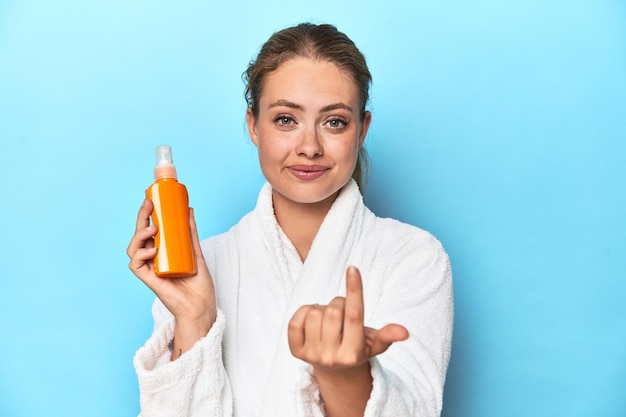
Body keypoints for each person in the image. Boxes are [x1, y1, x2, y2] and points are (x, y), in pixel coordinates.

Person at [127, 22, 453, 417]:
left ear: (362, 129)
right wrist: (195, 317)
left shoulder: (413, 257)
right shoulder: (201, 268)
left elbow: (415, 409)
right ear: (253, 125)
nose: (310, 147)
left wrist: (344, 375)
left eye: (334, 121)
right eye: (285, 119)